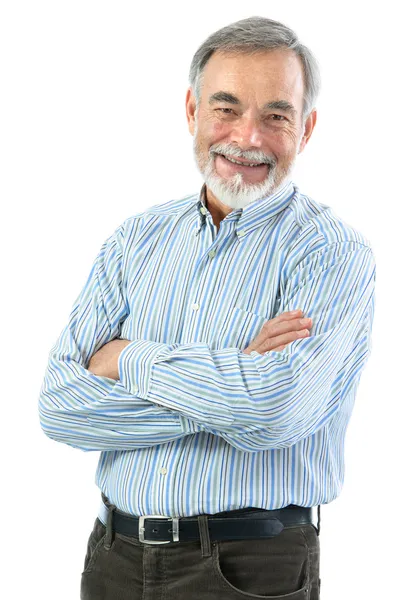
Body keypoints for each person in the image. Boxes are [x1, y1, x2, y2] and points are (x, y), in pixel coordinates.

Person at [38, 15, 376, 600]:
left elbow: (277, 412)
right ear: (192, 111)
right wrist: (232, 379)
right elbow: (60, 408)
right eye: (226, 108)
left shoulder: (333, 253)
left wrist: (130, 359)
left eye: (276, 115)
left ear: (307, 128)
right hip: (112, 557)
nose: (247, 138)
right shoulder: (135, 239)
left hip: (250, 568)